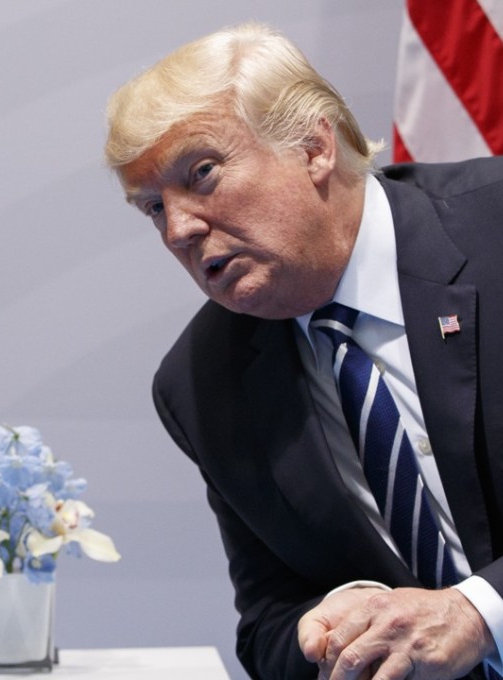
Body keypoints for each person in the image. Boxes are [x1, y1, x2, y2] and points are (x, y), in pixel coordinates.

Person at [105, 21, 503, 680]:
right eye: (152, 207)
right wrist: (337, 616)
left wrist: (479, 611)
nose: (178, 230)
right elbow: (266, 625)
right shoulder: (204, 383)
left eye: (201, 174)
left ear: (315, 146)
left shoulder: (494, 229)